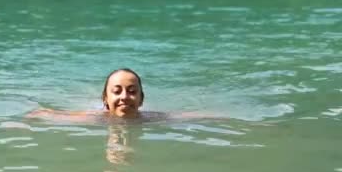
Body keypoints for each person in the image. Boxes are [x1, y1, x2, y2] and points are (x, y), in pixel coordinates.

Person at [26, 68, 214, 123]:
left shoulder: (152, 119)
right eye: (117, 91)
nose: (124, 96)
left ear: (141, 100)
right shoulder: (95, 118)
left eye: (132, 92)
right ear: (106, 99)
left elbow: (193, 115)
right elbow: (43, 112)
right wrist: (21, 122)